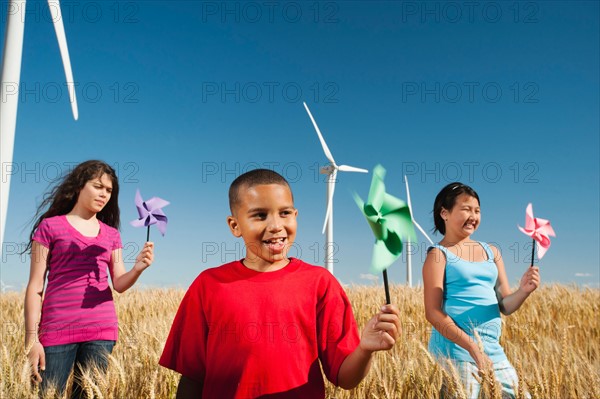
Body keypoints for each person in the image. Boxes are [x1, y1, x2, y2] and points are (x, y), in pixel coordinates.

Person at [159, 169, 401, 398]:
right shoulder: (209, 284)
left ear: (296, 216)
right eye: (260, 215)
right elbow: (192, 377)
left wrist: (365, 349)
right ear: (235, 225)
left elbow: (345, 379)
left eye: (284, 213)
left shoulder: (320, 283)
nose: (276, 226)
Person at [24, 160, 154, 398]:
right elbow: (35, 287)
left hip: (101, 330)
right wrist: (31, 340)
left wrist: (138, 268)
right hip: (57, 328)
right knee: (45, 394)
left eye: (109, 190)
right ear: (79, 186)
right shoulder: (49, 227)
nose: (104, 194)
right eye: (98, 186)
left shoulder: (111, 234)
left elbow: (119, 283)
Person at [422, 182, 539, 398]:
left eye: (477, 211)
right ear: (445, 213)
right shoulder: (438, 255)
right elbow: (433, 312)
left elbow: (505, 304)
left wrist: (523, 291)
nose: (473, 216)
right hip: (455, 353)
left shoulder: (492, 251)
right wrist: (471, 347)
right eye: (466, 209)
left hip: (492, 351)